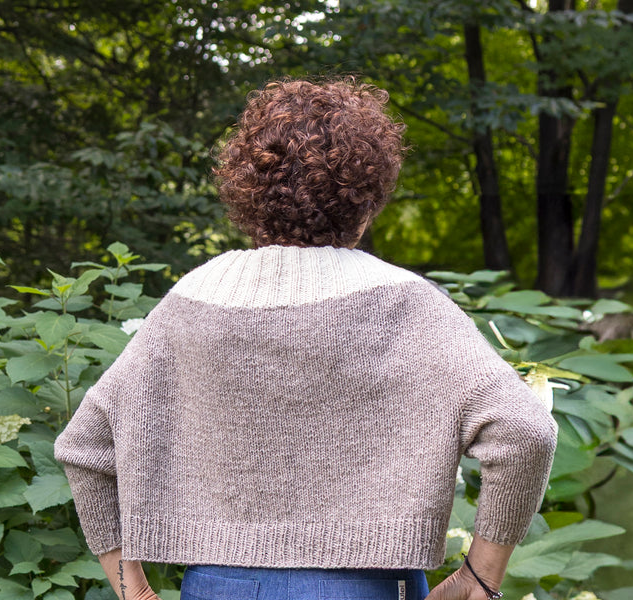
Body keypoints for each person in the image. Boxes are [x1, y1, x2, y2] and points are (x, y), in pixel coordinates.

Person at [54, 78, 558, 600]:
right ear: (366, 200)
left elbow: (84, 446)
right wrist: (481, 577)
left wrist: (129, 585)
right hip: (370, 588)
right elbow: (526, 433)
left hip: (219, 587)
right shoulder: (407, 303)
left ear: (248, 191)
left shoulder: (191, 301)